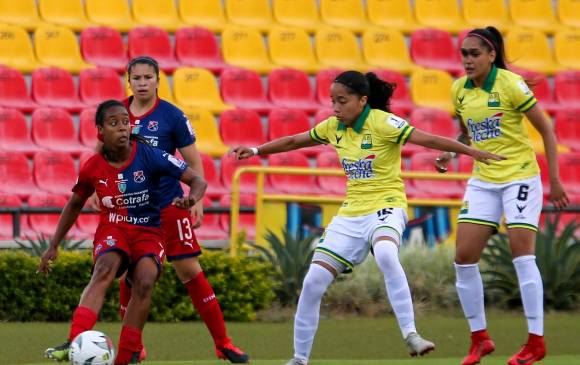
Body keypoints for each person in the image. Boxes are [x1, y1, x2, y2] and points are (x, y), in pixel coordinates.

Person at [232, 70, 505, 365]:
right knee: (312, 284)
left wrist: (470, 152)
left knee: (387, 254)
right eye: (332, 101)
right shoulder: (332, 127)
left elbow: (430, 139)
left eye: (342, 101)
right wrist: (256, 150)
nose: (336, 108)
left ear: (362, 100)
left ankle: (411, 335)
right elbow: (294, 142)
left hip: (386, 206)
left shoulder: (383, 123)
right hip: (351, 214)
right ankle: (299, 359)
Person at [93, 56, 249, 363]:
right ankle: (133, 346)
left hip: (170, 205)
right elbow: (100, 156)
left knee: (190, 270)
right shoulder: (117, 114)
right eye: (135, 78)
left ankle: (223, 342)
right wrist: (98, 189)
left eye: (147, 78)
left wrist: (198, 200)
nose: (141, 83)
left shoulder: (172, 117)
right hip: (132, 209)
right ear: (128, 81)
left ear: (157, 80)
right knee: (132, 274)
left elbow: (194, 162)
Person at [434, 26, 569, 365]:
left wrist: (554, 180)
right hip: (483, 180)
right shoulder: (459, 90)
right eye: (463, 54)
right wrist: (452, 153)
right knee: (463, 258)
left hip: (520, 176)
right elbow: (468, 128)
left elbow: (547, 131)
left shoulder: (511, 85)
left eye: (474, 54)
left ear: (491, 55)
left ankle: (535, 342)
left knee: (522, 255)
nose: (466, 60)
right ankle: (479, 339)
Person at [39, 100, 207, 365]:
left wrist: (192, 198)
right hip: (114, 226)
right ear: (100, 131)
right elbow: (74, 204)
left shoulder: (150, 154)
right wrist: (53, 245)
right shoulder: (93, 167)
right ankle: (74, 342)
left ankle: (127, 354)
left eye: (125, 122)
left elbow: (197, 179)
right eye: (114, 123)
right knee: (105, 268)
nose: (122, 128)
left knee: (145, 280)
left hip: (148, 230)